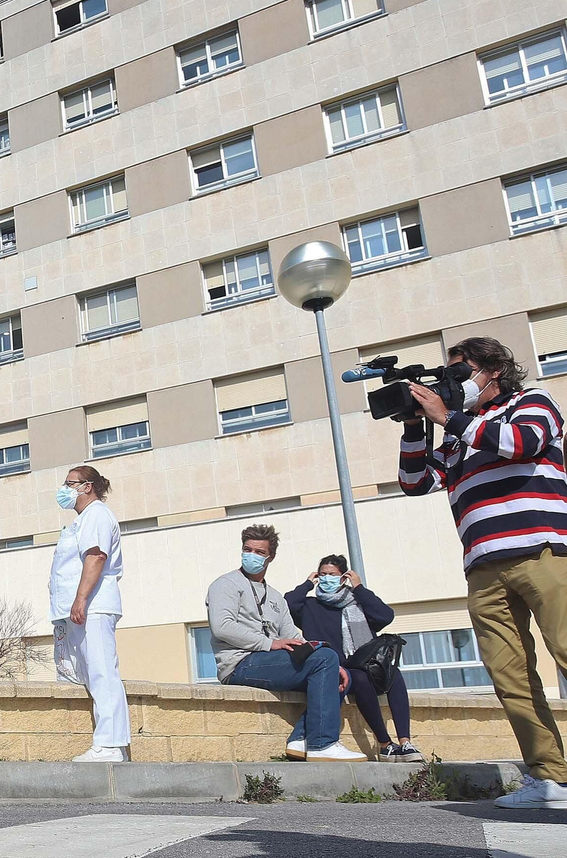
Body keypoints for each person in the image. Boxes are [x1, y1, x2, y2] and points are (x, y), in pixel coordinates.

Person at [400, 337, 567, 808]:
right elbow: (415, 482)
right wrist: (416, 427)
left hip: (544, 551)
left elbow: (524, 443)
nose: (454, 384)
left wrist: (450, 418)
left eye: (461, 373)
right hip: (482, 565)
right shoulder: (458, 434)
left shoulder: (531, 402)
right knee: (510, 675)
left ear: (493, 370)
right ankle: (551, 778)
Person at [207, 525, 365, 762]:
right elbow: (223, 627)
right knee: (325, 660)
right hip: (239, 663)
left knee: (341, 672)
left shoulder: (274, 597)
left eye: (259, 552)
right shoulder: (226, 584)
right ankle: (322, 743)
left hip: (269, 660)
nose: (252, 555)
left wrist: (335, 666)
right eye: (247, 549)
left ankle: (301, 739)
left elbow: (293, 635)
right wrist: (269, 643)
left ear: (270, 557)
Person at [286, 556, 421, 762]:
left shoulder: (356, 604)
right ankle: (385, 744)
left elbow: (384, 616)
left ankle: (405, 742)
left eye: (332, 575)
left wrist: (358, 587)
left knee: (393, 674)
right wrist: (307, 584)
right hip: (336, 668)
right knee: (359, 679)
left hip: (365, 662)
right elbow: (288, 603)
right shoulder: (309, 606)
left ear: (343, 577)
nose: (326, 578)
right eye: (322, 574)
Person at [49, 466, 129, 763]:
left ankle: (110, 745)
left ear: (87, 487)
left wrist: (81, 599)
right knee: (86, 674)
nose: (65, 489)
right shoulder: (82, 520)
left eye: (70, 484)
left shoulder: (96, 514)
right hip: (80, 609)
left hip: (93, 606)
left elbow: (96, 556)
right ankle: (105, 743)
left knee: (102, 671)